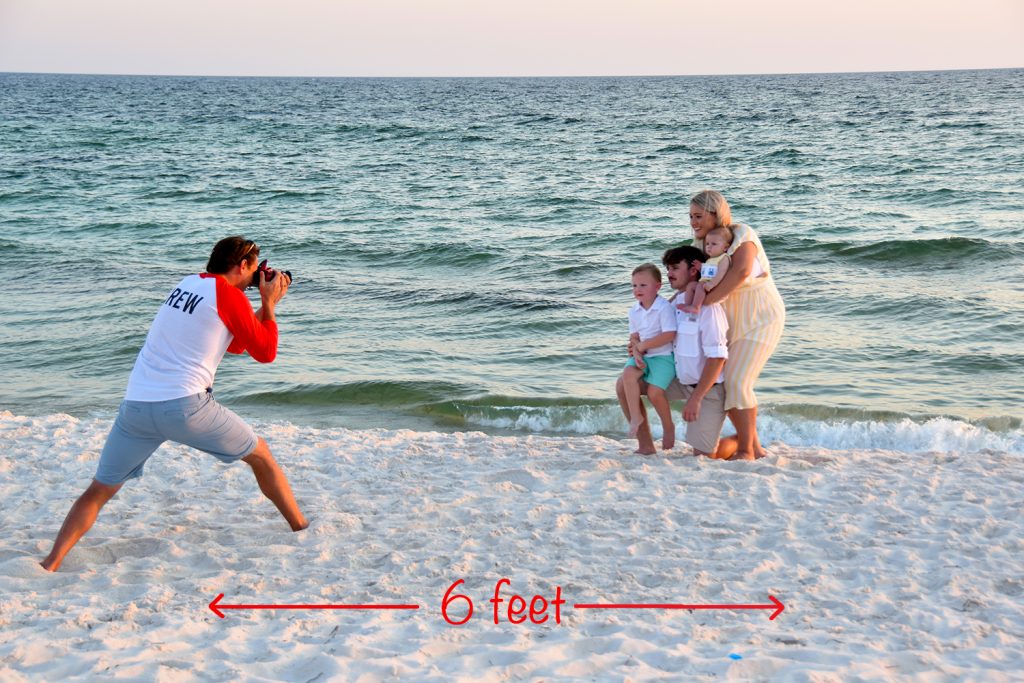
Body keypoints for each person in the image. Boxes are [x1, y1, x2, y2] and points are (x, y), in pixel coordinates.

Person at [41, 236, 308, 572]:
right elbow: (265, 353)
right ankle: (300, 526)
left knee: (99, 490)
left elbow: (236, 343)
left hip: (136, 408)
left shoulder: (187, 285)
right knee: (261, 455)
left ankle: (51, 562)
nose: (256, 277)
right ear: (243, 267)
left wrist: (261, 305)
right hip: (186, 408)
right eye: (255, 269)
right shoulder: (229, 296)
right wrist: (269, 304)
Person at [688, 190, 785, 460]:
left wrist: (707, 303)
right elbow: (689, 284)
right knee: (724, 383)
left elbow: (741, 271)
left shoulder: (742, 234)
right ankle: (752, 447)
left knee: (738, 381)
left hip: (760, 317)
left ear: (715, 214)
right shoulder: (700, 247)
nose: (693, 223)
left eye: (698, 216)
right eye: (691, 217)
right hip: (727, 321)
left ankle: (746, 450)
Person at [618, 247, 737, 459]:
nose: (669, 273)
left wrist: (696, 399)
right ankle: (645, 446)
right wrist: (635, 346)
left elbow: (717, 358)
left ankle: (742, 440)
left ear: (693, 270)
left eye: (675, 268)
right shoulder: (672, 304)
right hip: (678, 379)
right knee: (624, 383)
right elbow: (652, 331)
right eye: (667, 268)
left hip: (706, 389)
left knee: (703, 455)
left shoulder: (708, 309)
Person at [618, 263, 676, 450]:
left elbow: (669, 335)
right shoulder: (633, 311)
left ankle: (668, 427)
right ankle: (636, 416)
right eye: (634, 285)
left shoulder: (663, 307)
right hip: (642, 355)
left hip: (662, 357)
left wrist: (643, 346)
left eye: (643, 285)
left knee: (654, 392)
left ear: (658, 286)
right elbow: (634, 336)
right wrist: (636, 350)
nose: (637, 290)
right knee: (627, 375)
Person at [679, 225, 732, 315]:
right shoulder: (710, 260)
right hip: (704, 283)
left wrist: (712, 284)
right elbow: (707, 272)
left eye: (714, 244)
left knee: (700, 286)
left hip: (713, 285)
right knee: (691, 285)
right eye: (707, 244)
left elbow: (721, 272)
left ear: (725, 247)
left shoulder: (724, 258)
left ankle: (696, 307)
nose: (709, 247)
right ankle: (688, 305)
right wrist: (700, 267)